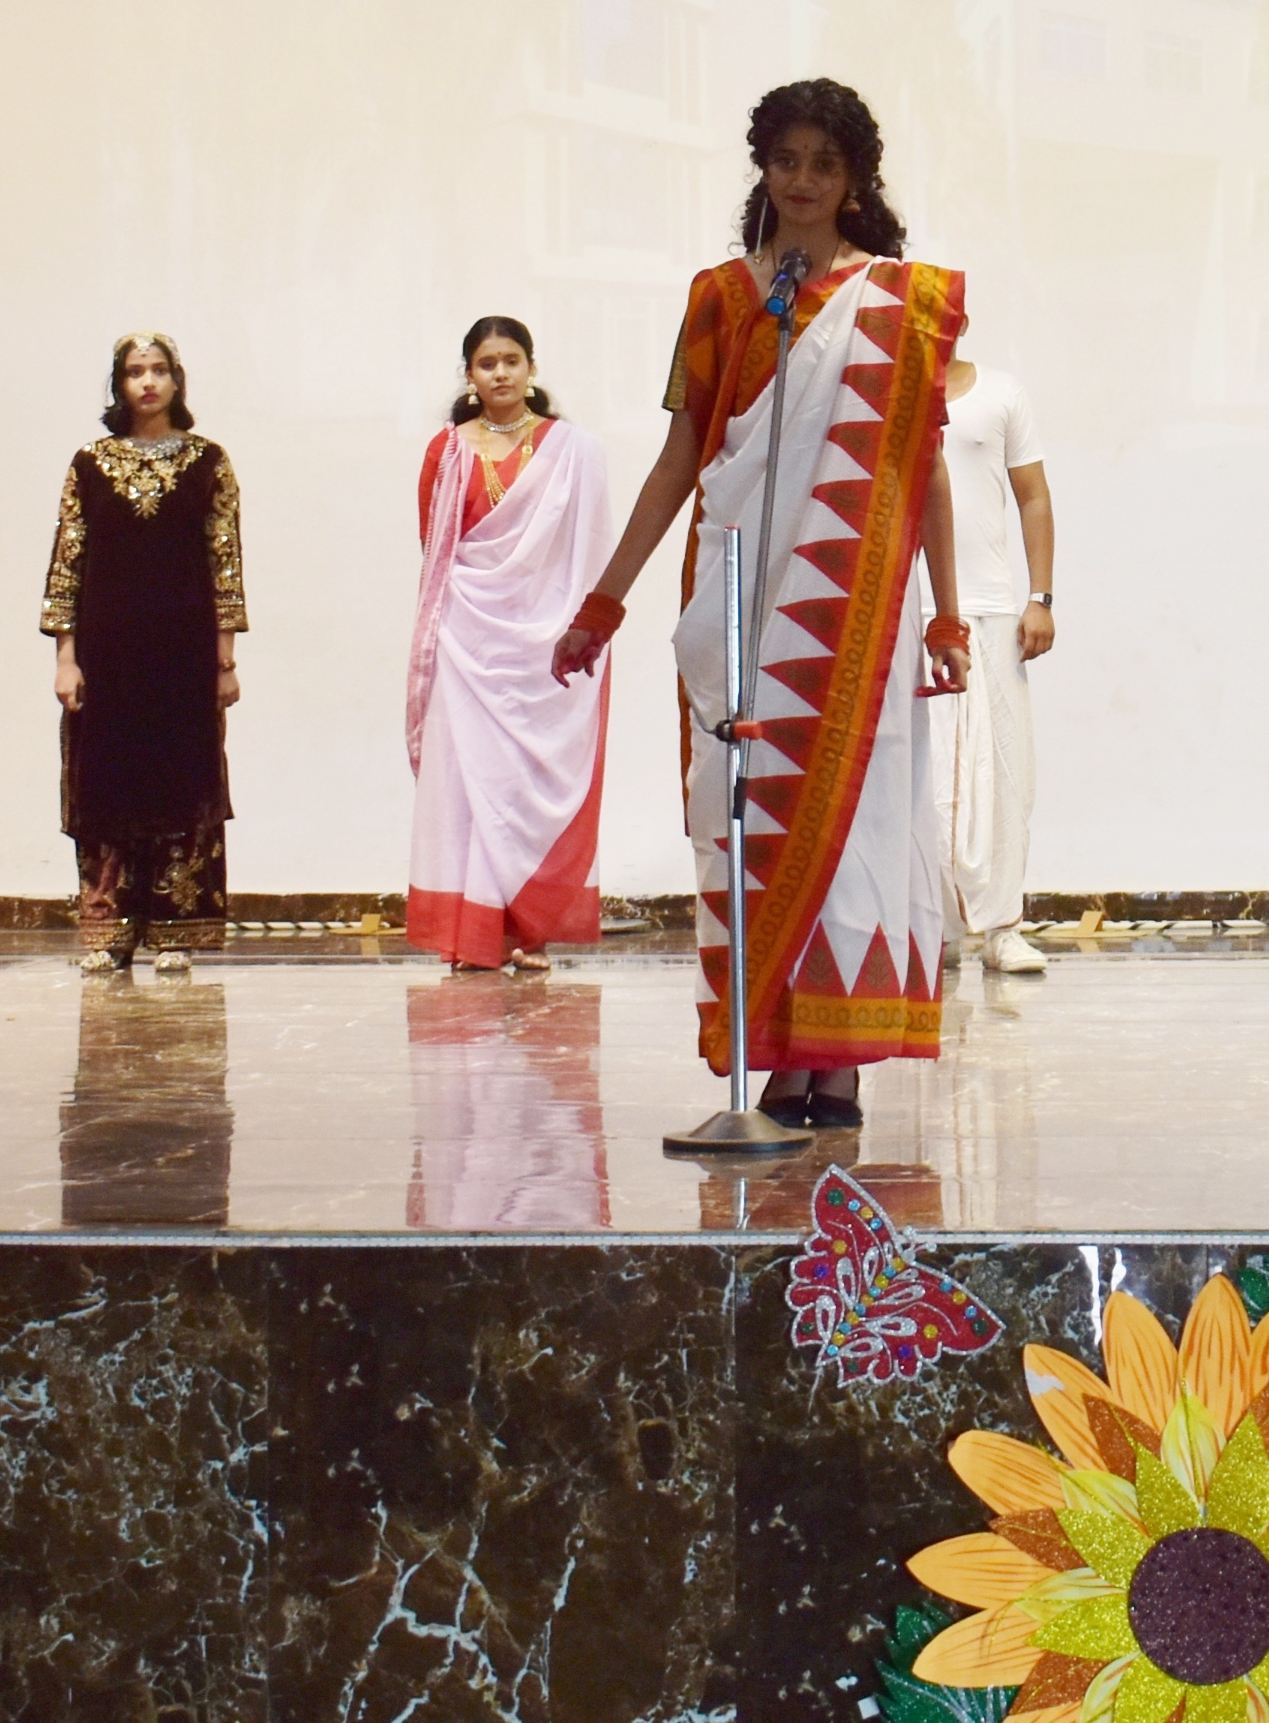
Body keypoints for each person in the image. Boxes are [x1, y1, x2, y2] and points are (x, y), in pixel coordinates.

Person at [552, 79, 970, 1132]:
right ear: (763, 169)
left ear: (855, 178)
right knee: (746, 814)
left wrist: (948, 613)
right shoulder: (720, 298)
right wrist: (605, 599)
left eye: (824, 163)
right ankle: (778, 1054)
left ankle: (838, 1060)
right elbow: (681, 456)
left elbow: (922, 467)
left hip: (854, 606)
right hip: (739, 598)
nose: (802, 180)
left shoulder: (898, 304)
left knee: (858, 813)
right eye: (786, 160)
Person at [408, 315, 614, 972]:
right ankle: (476, 934)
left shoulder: (570, 449)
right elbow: (436, 548)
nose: (499, 372)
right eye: (486, 363)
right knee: (472, 782)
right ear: (469, 374)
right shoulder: (447, 450)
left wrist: (567, 622)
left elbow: (587, 547)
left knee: (525, 784)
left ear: (530, 367)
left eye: (510, 360)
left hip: (543, 640)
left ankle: (528, 929)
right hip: (468, 639)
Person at [39, 333, 245, 977]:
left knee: (182, 782)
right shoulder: (89, 464)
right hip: (107, 658)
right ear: (119, 384)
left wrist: (225, 661)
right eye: (135, 372)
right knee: (107, 784)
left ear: (177, 380)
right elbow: (67, 564)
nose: (148, 382)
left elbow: (225, 563)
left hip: (184, 657)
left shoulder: (209, 462)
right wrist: (66, 657)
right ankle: (111, 930)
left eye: (159, 370)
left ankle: (176, 930)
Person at [934, 339, 1058, 976]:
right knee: (928, 781)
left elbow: (1033, 496)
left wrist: (1040, 597)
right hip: (915, 612)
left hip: (993, 610)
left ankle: (1004, 928)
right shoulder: (887, 396)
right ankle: (938, 930)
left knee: (1008, 774)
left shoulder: (1003, 393)